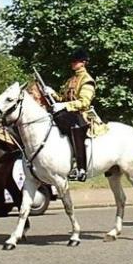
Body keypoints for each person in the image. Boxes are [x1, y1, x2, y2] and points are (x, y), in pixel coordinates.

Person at [44, 48, 98, 182]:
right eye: (72, 61)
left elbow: (84, 102)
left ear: (83, 62)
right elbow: (63, 99)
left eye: (76, 61)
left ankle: (81, 168)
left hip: (82, 115)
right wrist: (52, 93)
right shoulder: (71, 80)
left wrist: (64, 106)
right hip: (68, 113)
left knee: (75, 127)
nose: (73, 63)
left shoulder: (87, 80)